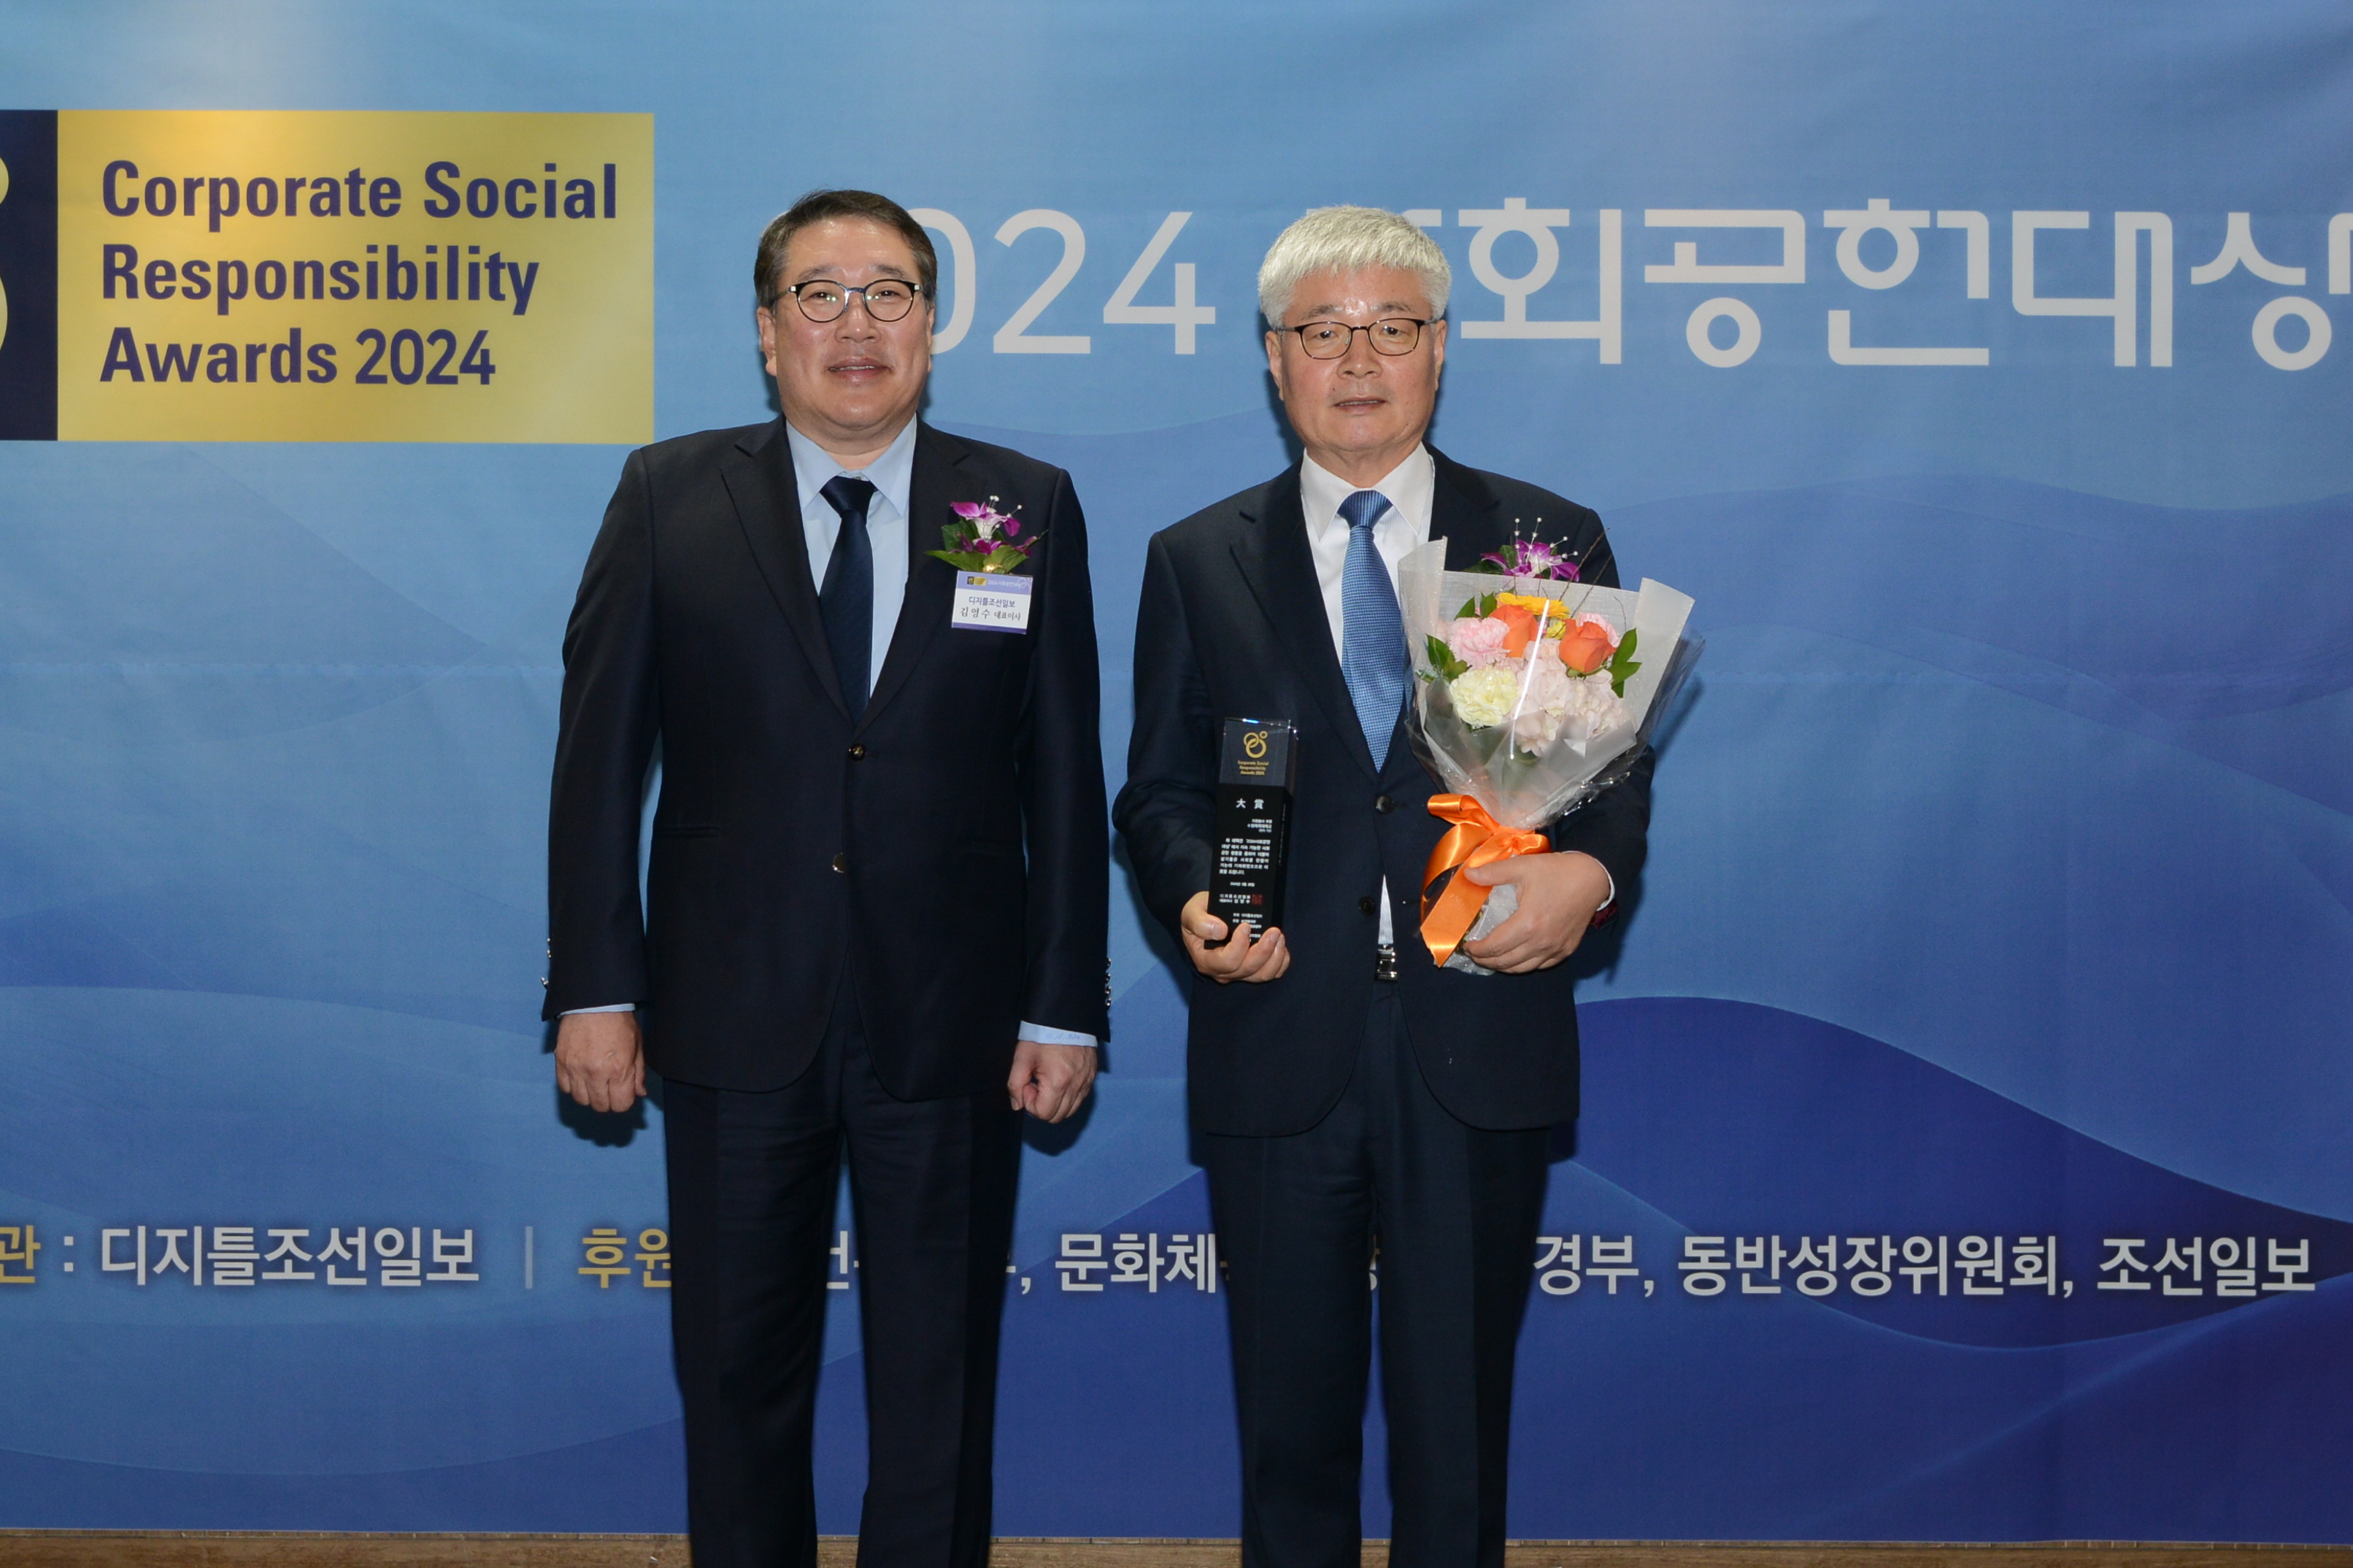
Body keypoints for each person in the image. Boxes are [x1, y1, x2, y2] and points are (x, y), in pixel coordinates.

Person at [544, 188, 1108, 1568]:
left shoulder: (1016, 503)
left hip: (953, 1022)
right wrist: (597, 986)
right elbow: (599, 761)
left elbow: (1061, 772)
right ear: (766, 328)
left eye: (889, 293)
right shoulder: (669, 494)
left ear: (931, 323)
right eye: (821, 294)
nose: (857, 325)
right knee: (737, 1372)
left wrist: (1062, 1004)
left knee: (939, 1386)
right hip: (732, 1012)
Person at [1113, 206, 1652, 1568]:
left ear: (1441, 347)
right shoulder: (1196, 556)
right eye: (1324, 331)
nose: (1359, 360)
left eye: (1392, 327)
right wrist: (1190, 899)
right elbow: (1160, 793)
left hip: (1474, 1029)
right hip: (1280, 1028)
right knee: (1288, 1436)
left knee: (1454, 1435)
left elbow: (1608, 777)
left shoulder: (1542, 540)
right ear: (1274, 356)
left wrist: (1589, 873)